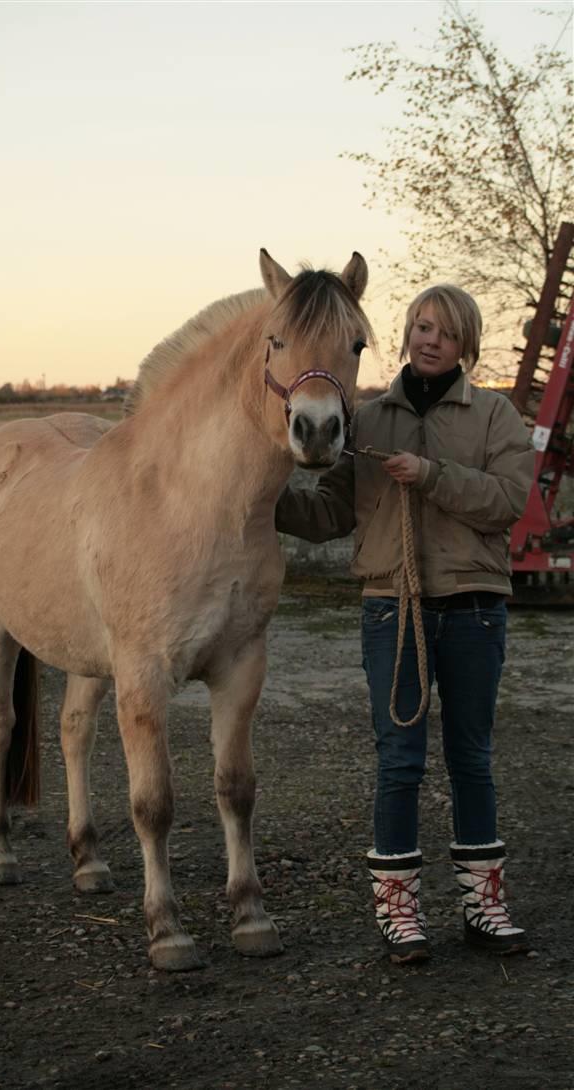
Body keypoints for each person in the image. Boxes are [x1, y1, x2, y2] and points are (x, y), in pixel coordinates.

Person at [275, 284, 534, 964]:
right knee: (399, 762)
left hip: (474, 607)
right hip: (391, 606)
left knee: (472, 760)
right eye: (420, 326)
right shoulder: (365, 419)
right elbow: (332, 512)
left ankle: (484, 905)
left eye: (444, 332)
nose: (428, 340)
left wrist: (431, 474)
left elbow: (507, 503)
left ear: (465, 346)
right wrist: (260, 500)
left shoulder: (496, 416)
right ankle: (400, 914)